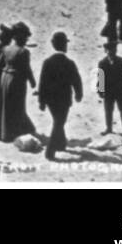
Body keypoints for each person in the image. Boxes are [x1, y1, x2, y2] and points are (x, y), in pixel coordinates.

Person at [38, 31, 83, 160]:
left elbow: (43, 82)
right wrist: (78, 93)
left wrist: (41, 101)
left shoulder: (47, 62)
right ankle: (50, 151)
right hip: (64, 99)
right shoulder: (69, 63)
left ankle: (61, 144)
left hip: (50, 100)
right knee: (59, 123)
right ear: (64, 45)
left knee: (58, 120)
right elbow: (76, 80)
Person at [0, 21, 36, 141]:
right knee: (17, 105)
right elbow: (27, 69)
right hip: (17, 80)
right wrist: (32, 82)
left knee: (4, 104)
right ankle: (14, 132)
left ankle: (1, 132)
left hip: (4, 77)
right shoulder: (24, 52)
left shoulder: (6, 48)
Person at [97, 39, 122, 134]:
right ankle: (109, 128)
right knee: (108, 110)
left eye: (114, 50)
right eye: (110, 50)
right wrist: (100, 91)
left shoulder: (121, 61)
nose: (112, 52)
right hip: (109, 91)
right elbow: (100, 77)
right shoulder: (102, 63)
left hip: (120, 89)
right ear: (106, 51)